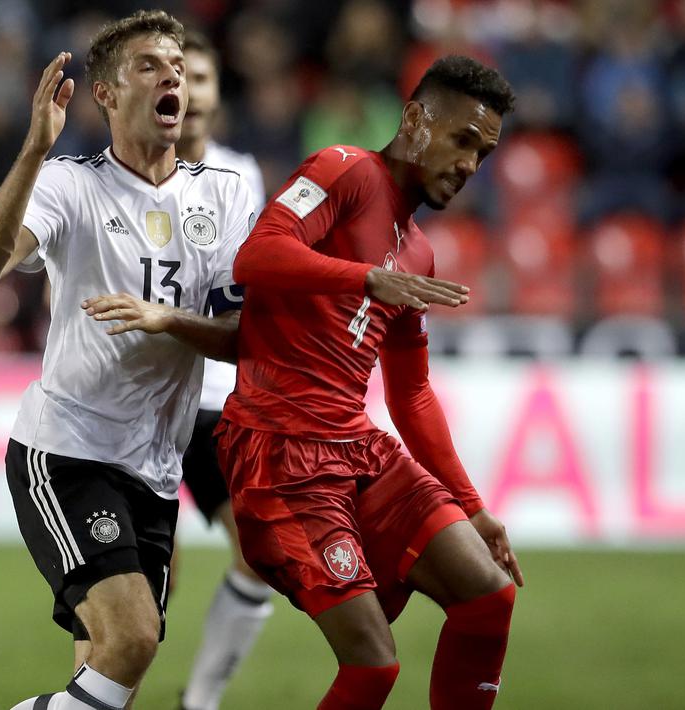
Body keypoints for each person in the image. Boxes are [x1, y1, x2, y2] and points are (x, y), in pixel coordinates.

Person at [0, 11, 254, 710]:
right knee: (133, 638)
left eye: (177, 68)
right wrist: (33, 150)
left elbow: (242, 336)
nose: (171, 78)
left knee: (111, 674)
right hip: (68, 449)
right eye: (149, 66)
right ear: (106, 93)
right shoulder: (69, 184)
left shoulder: (223, 193)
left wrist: (167, 319)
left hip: (154, 464)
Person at [217, 55, 524, 710]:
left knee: (489, 594)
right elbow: (257, 254)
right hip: (278, 452)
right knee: (373, 667)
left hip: (353, 444)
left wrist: (472, 506)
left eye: (484, 153)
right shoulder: (344, 169)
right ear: (414, 120)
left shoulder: (417, 252)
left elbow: (411, 394)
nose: (471, 164)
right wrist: (365, 278)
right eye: (463, 140)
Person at [172, 31, 271, 710]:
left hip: (214, 400)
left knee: (260, 551)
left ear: (216, 93)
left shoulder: (242, 176)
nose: (189, 92)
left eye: (201, 78)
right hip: (141, 398)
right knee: (145, 582)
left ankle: (198, 701)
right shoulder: (117, 171)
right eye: (178, 79)